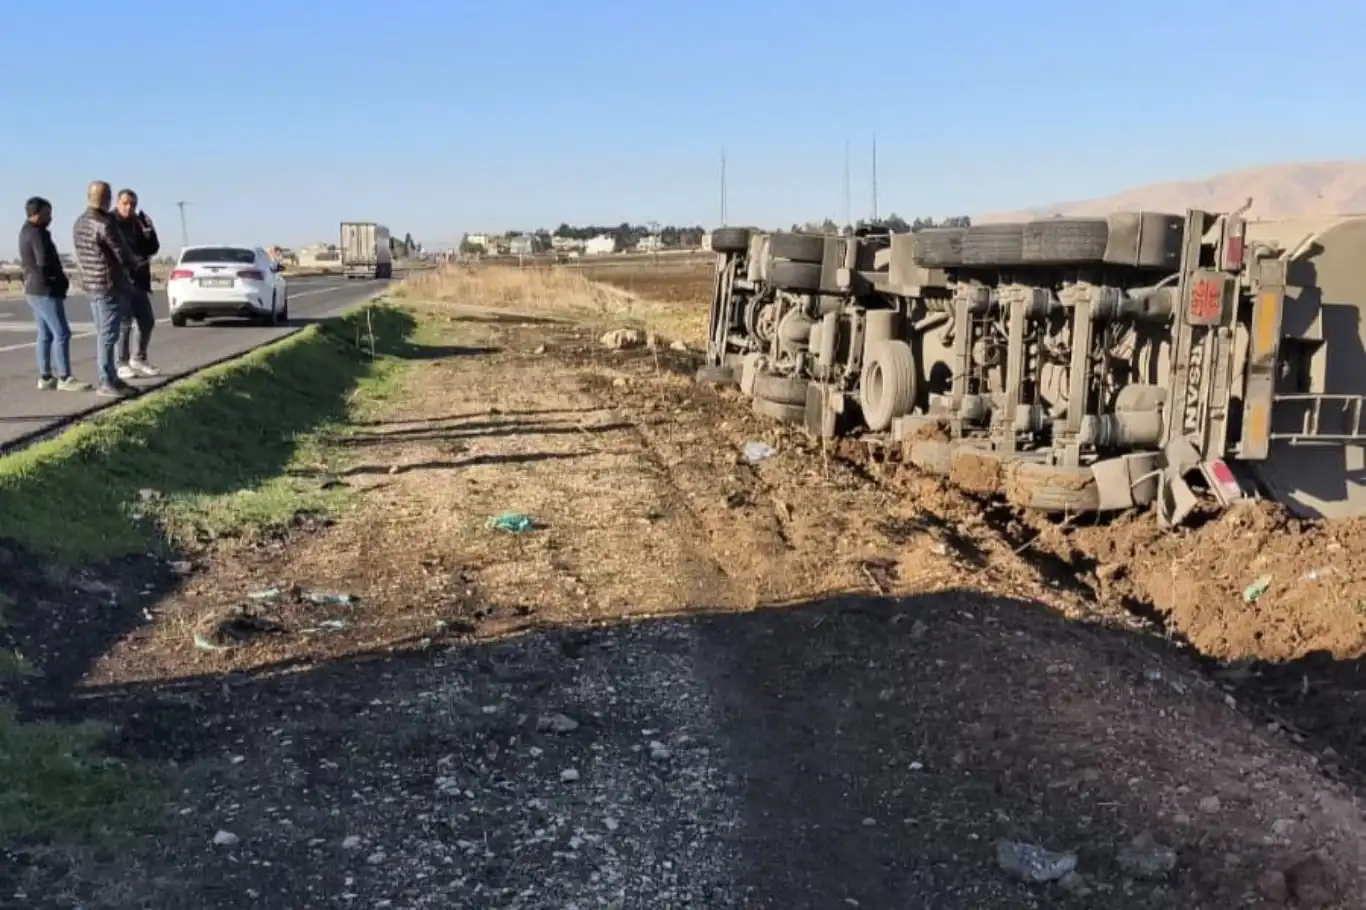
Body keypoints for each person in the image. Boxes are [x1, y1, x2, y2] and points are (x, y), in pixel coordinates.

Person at [72, 180, 138, 397]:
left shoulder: (79, 223)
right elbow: (120, 252)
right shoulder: (104, 223)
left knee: (104, 333)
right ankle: (106, 380)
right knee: (109, 335)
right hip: (108, 284)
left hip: (91, 284)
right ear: (107, 198)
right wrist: (134, 263)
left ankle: (111, 377)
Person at [18, 197, 91, 391]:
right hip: (45, 290)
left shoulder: (25, 232)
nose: (50, 217)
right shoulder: (37, 234)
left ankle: (45, 376)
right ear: (35, 214)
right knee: (62, 332)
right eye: (47, 213)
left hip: (33, 290)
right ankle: (64, 377)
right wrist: (58, 281)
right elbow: (44, 262)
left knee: (45, 333)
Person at [111, 189, 161, 378]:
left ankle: (139, 357)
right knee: (125, 322)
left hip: (139, 280)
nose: (129, 207)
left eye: (132, 204)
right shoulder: (111, 222)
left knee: (147, 320)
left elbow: (152, 248)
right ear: (118, 203)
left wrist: (149, 232)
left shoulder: (139, 222)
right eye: (125, 203)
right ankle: (121, 362)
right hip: (120, 280)